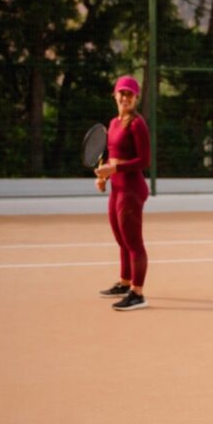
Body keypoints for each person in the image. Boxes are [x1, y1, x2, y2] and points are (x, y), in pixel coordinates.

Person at [95, 75, 151, 311]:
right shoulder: (114, 123)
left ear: (136, 98)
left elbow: (144, 160)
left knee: (133, 242)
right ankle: (124, 282)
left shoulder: (137, 124)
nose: (125, 97)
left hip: (131, 189)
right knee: (121, 239)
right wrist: (104, 176)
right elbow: (111, 155)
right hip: (117, 188)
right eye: (122, 93)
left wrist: (115, 168)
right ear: (115, 95)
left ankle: (137, 293)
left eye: (130, 94)